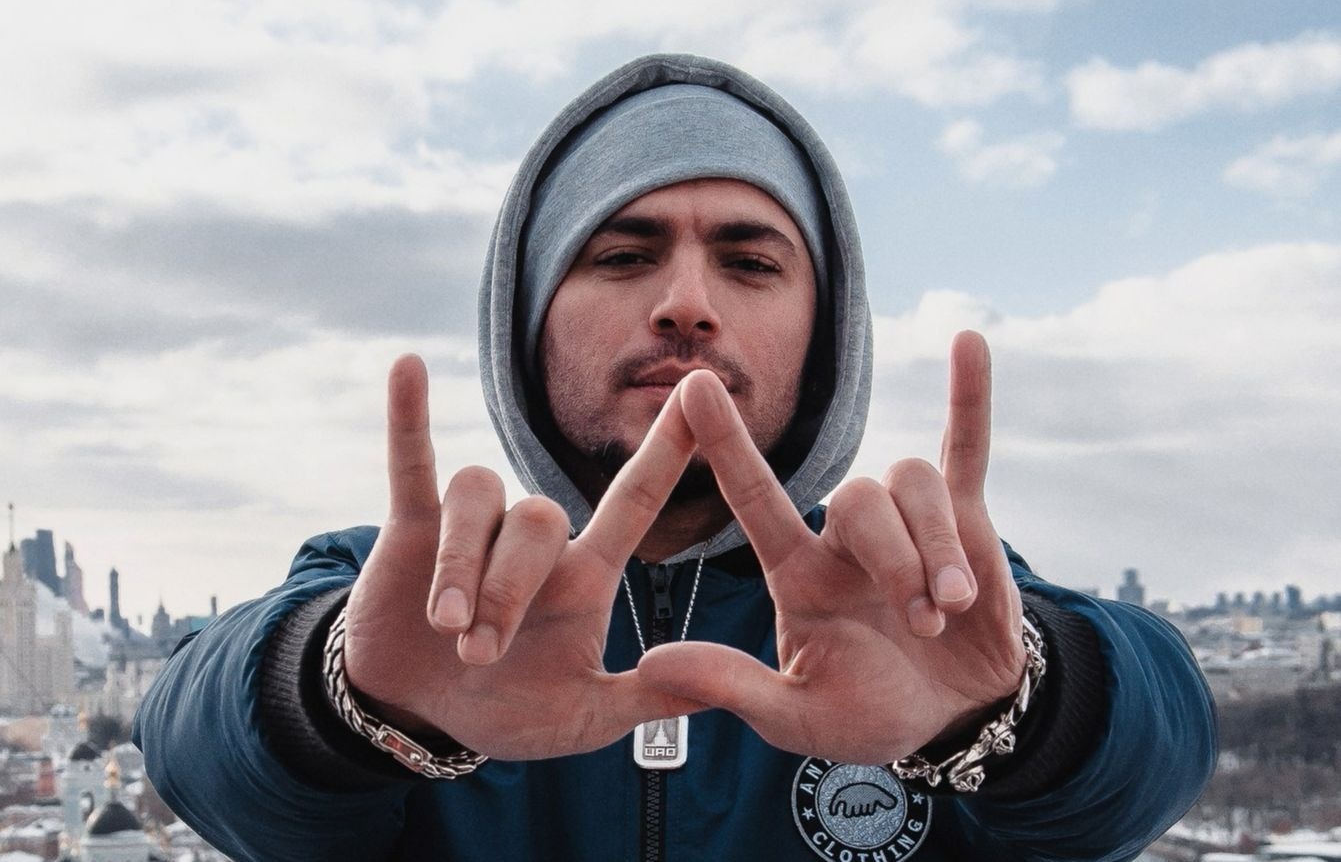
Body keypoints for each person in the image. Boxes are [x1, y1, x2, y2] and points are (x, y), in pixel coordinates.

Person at [133, 54, 1216, 862]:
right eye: (621, 253)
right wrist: (349, 705)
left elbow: (1156, 749)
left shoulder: (928, 598)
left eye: (750, 261)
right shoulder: (400, 597)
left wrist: (1013, 712)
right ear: (526, 322)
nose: (686, 303)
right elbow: (195, 749)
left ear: (827, 336)